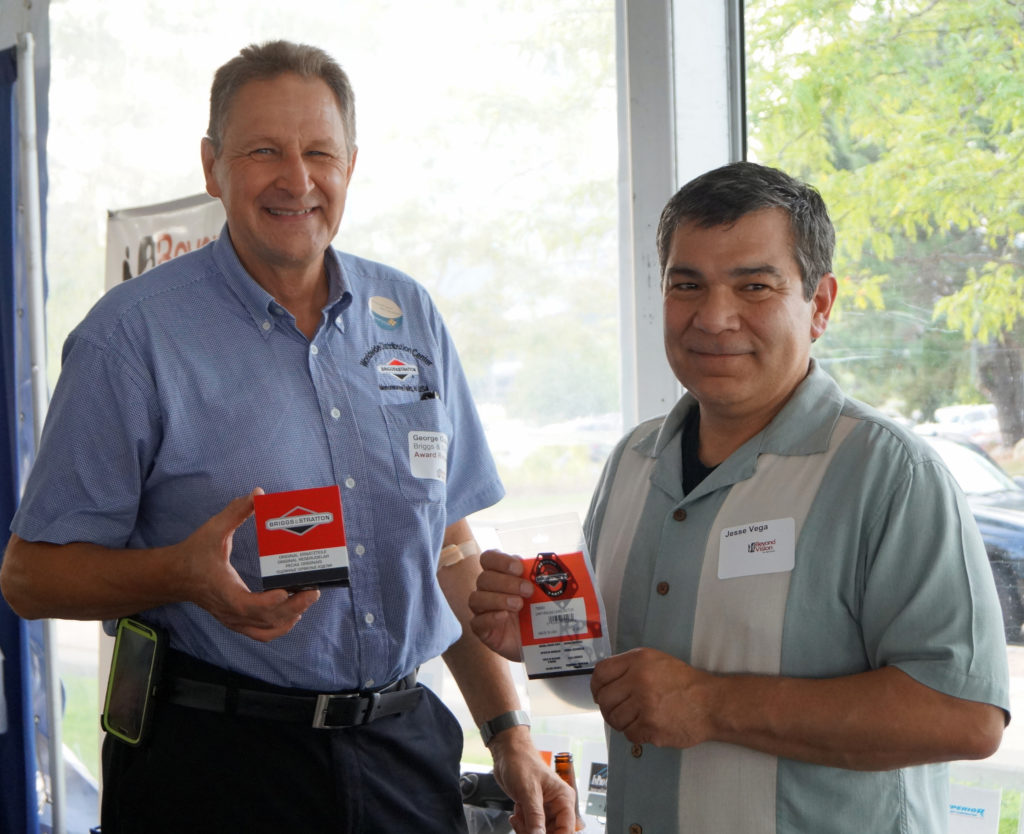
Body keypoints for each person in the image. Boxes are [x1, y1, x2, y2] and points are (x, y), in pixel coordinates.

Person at [0, 40, 575, 834]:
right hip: (218, 762)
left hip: (404, 752)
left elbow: (446, 545)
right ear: (213, 166)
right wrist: (182, 574)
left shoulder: (409, 315)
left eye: (318, 153)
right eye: (263, 150)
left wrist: (509, 733)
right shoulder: (130, 340)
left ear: (350, 165)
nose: (296, 180)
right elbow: (30, 578)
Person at [469, 161, 1010, 833]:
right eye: (685, 284)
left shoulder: (888, 475)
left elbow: (966, 717)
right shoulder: (633, 464)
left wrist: (715, 703)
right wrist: (540, 637)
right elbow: (619, 683)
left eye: (754, 285)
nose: (713, 316)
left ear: (820, 305)